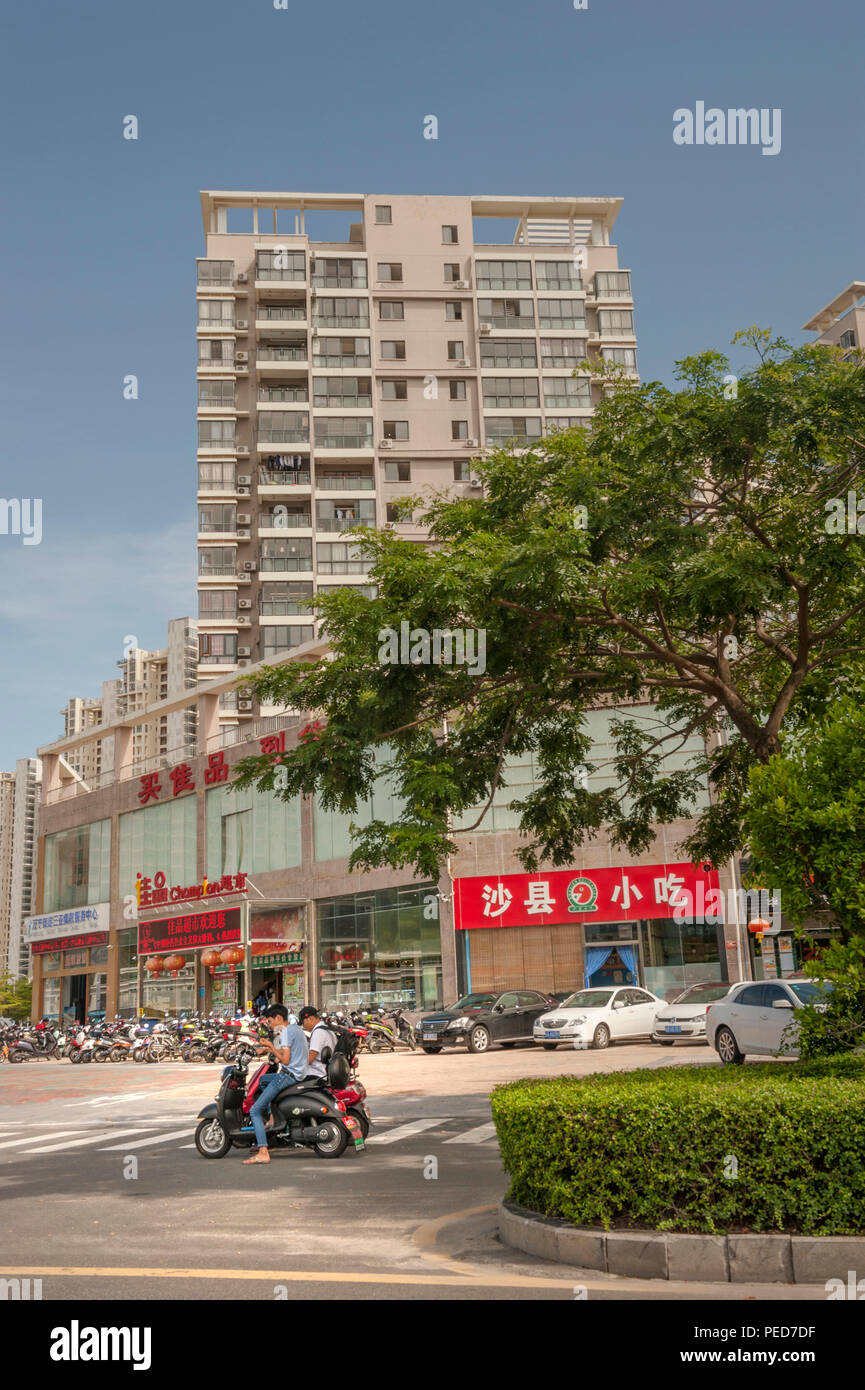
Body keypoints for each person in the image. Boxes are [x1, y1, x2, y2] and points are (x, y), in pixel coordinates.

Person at [242, 1004, 308, 1166]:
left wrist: (271, 1047)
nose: (270, 1025)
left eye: (270, 1021)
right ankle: (272, 1118)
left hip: (288, 1076)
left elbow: (285, 1060)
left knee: (255, 1110)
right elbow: (287, 1053)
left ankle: (263, 1151)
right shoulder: (295, 1029)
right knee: (264, 1081)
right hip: (298, 1073)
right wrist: (266, 1050)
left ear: (279, 1018)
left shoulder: (285, 1032)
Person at [299, 1005, 336, 1081]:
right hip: (326, 1071)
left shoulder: (318, 1032)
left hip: (317, 1074)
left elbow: (309, 1060)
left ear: (310, 1019)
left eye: (303, 1022)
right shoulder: (326, 1028)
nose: (303, 1026)